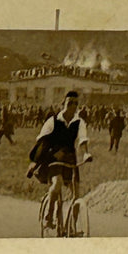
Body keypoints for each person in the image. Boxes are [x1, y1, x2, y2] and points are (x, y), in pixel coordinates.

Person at [28, 91, 92, 230]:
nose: (73, 106)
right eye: (70, 103)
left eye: (76, 103)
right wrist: (35, 161)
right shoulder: (53, 121)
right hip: (53, 158)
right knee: (57, 184)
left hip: (70, 158)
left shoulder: (79, 122)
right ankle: (49, 217)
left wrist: (86, 154)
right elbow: (42, 141)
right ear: (64, 104)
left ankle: (72, 226)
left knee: (76, 193)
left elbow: (82, 139)